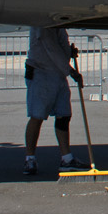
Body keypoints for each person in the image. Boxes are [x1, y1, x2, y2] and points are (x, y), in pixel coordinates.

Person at [24, 25, 85, 175]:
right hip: (42, 74)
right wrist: (71, 71)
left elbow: (58, 48)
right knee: (37, 116)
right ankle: (29, 158)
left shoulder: (58, 25)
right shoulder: (43, 24)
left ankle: (66, 158)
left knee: (64, 115)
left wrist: (68, 53)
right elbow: (51, 48)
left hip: (58, 74)